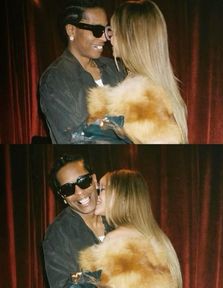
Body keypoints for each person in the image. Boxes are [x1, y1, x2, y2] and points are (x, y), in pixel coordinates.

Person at [86, 0, 188, 144]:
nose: (110, 39)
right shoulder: (157, 90)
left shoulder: (140, 96)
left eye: (113, 32)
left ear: (130, 38)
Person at [75, 169, 183, 288]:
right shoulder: (159, 239)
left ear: (122, 196)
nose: (97, 195)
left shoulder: (116, 239)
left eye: (102, 189)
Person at [39, 0, 126, 143]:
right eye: (97, 30)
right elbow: (76, 138)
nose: (105, 37)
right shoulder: (55, 79)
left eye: (106, 30)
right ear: (71, 30)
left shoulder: (115, 67)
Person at [42, 154, 113, 288]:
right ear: (63, 196)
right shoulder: (57, 235)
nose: (79, 192)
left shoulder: (119, 216)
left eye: (83, 181)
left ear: (94, 179)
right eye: (68, 189)